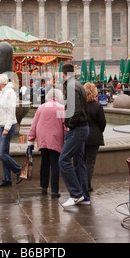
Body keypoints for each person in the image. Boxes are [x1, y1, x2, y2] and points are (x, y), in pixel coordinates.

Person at [58, 63, 90, 207]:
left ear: (63, 74)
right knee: (79, 163)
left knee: (63, 160)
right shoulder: (79, 84)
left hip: (77, 129)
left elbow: (75, 111)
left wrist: (69, 126)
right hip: (83, 127)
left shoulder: (70, 86)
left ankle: (76, 194)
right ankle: (85, 196)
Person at [27, 89, 66, 198]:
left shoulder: (41, 107)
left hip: (43, 138)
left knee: (44, 162)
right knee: (55, 164)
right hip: (56, 139)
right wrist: (66, 140)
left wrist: (31, 140)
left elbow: (34, 125)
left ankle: (43, 187)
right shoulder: (61, 108)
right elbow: (64, 127)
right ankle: (54, 190)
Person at [0, 73, 22, 187]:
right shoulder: (3, 93)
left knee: (1, 153)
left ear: (2, 83)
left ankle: (19, 171)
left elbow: (12, 112)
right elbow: (3, 111)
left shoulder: (10, 93)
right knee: (5, 153)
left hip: (8, 126)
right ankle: (7, 179)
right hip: (3, 125)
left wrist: (7, 128)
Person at [83, 82, 106, 192]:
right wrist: (98, 131)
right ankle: (87, 185)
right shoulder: (98, 106)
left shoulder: (80, 106)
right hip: (94, 137)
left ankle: (81, 183)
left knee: (81, 161)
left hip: (81, 136)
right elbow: (103, 123)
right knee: (90, 162)